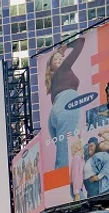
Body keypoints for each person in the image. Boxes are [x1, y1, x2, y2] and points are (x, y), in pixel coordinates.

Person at [46, 39, 85, 169]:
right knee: (68, 153)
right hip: (67, 105)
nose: (60, 60)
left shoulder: (53, 83)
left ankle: (62, 184)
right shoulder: (63, 69)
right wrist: (66, 47)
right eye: (56, 59)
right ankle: (63, 186)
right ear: (51, 67)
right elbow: (81, 43)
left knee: (63, 152)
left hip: (54, 114)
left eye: (60, 58)